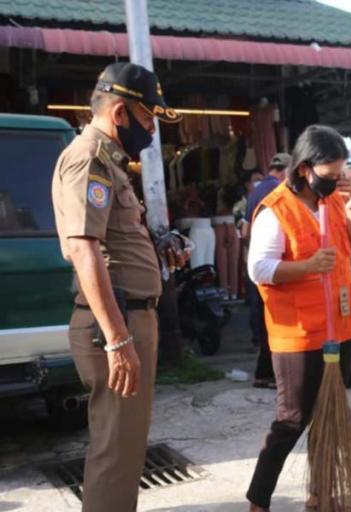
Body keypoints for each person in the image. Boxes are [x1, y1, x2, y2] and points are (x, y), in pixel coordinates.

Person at [51, 62, 186, 512]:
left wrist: (159, 250)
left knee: (126, 450)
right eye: (148, 119)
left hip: (129, 317)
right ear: (121, 112)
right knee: (115, 453)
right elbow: (85, 249)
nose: (151, 132)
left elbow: (113, 241)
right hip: (116, 323)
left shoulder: (108, 161)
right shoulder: (89, 158)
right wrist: (117, 338)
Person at [245, 125, 351, 512]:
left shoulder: (334, 203)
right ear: (303, 169)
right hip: (297, 336)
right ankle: (258, 502)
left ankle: (321, 495)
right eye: (329, 176)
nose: (335, 183)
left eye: (340, 175)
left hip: (339, 329)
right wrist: (309, 266)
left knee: (327, 418)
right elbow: (259, 269)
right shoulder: (276, 210)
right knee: (291, 421)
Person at [243, 153, 290, 388]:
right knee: (275, 321)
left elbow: (244, 231)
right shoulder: (278, 191)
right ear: (285, 171)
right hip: (273, 263)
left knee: (262, 317)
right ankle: (268, 374)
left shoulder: (256, 190)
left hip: (256, 259)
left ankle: (263, 373)